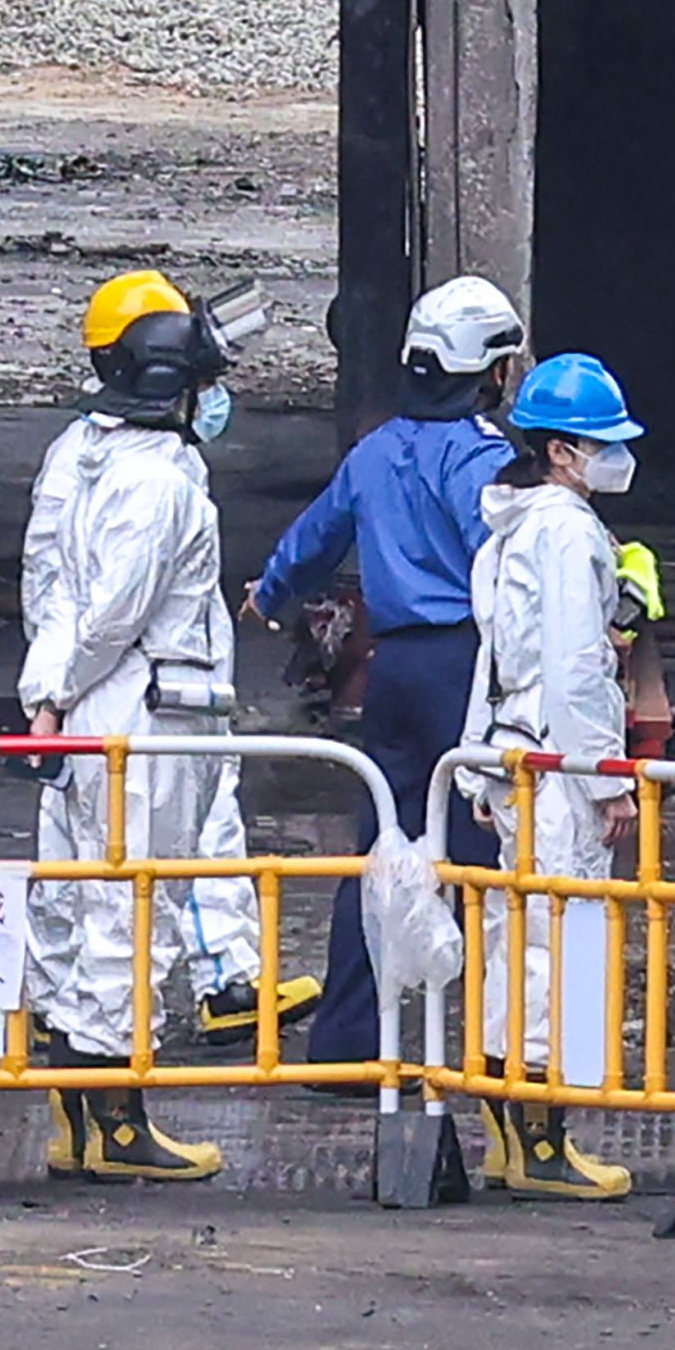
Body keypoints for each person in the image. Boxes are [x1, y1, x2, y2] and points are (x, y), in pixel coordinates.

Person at [20, 270, 301, 1183]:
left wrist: (45, 691)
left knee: (76, 907)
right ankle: (120, 1119)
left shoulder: (86, 455)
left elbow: (53, 591)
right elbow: (113, 612)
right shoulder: (158, 482)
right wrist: (60, 688)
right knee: (128, 915)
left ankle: (79, 1115)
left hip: (94, 707)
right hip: (141, 713)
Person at [253, 274, 524, 1069]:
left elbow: (311, 539)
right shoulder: (482, 462)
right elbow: (509, 567)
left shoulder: (375, 451)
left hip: (392, 669)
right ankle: (490, 1051)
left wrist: (270, 594)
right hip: (463, 667)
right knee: (481, 854)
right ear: (490, 371)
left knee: (382, 851)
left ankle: (345, 1042)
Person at [461, 350, 657, 1202]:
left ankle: (511, 1136)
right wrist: (606, 777)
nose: (611, 456)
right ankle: (546, 1144)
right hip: (559, 764)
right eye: (595, 442)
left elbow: (498, 652)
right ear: (558, 453)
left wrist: (475, 761)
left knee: (514, 945)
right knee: (559, 949)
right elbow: (579, 666)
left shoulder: (513, 525)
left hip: (512, 753)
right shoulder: (570, 531)